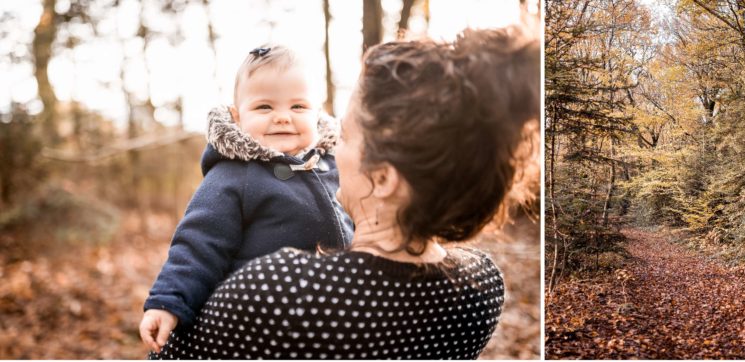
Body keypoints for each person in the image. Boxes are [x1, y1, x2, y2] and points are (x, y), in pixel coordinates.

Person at [151, 25, 539, 360]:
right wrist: (169, 299)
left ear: (384, 179)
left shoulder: (275, 290)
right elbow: (197, 243)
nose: (333, 147)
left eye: (347, 136)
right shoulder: (482, 290)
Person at [139, 44, 354, 353]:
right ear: (237, 117)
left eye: (298, 107)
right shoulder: (234, 176)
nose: (282, 118)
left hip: (331, 324)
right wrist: (169, 301)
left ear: (318, 113)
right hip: (257, 327)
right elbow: (198, 243)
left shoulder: (336, 165)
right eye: (265, 107)